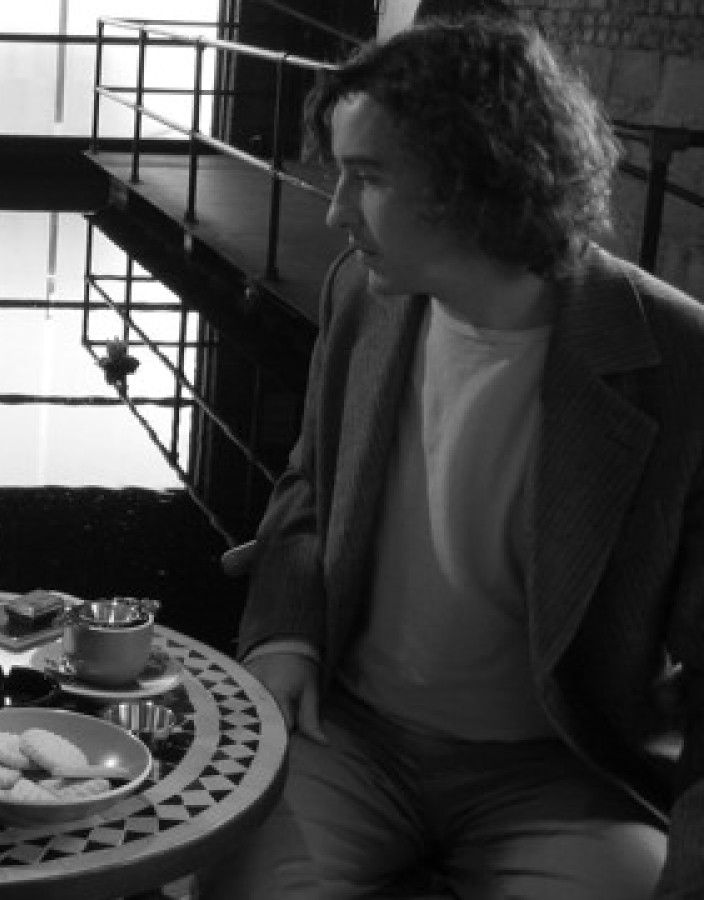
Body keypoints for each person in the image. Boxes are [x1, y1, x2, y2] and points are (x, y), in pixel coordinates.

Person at [199, 18, 702, 900]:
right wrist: (285, 636)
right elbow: (310, 486)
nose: (334, 211)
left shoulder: (677, 358)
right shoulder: (362, 293)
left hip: (564, 769)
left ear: (480, 175)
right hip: (348, 733)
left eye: (367, 177)